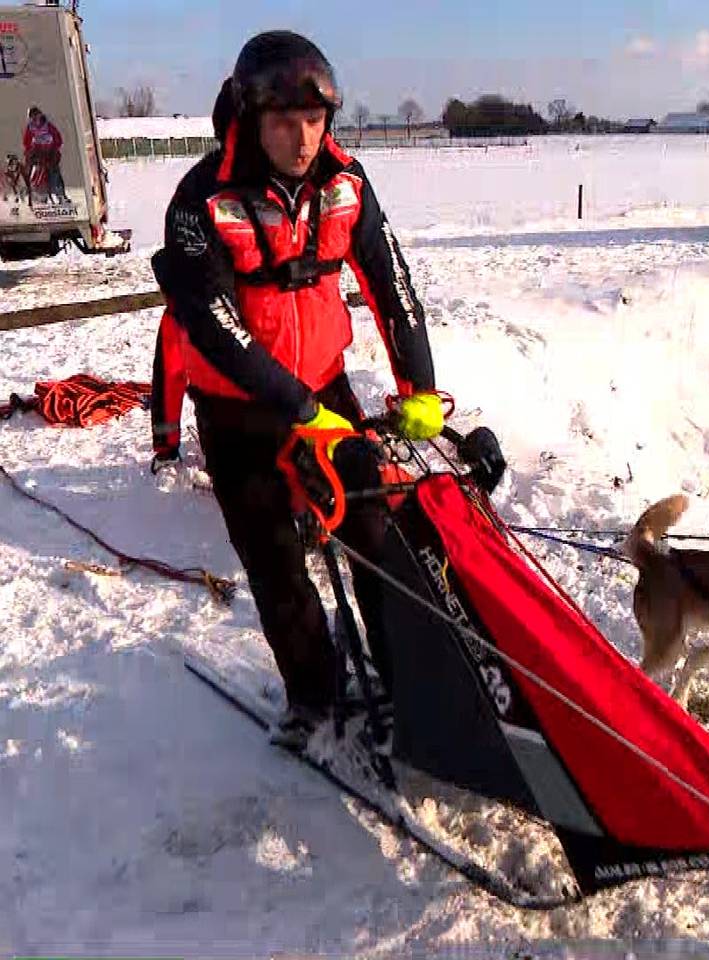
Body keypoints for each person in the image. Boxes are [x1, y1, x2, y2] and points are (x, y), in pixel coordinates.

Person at [150, 31, 444, 747]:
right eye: (285, 121)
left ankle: (408, 680)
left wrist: (421, 387)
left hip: (327, 392)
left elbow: (390, 283)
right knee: (275, 558)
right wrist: (298, 410)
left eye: (315, 120)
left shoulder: (348, 183)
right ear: (251, 117)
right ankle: (313, 693)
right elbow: (215, 328)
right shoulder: (200, 202)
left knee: (375, 536)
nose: (304, 137)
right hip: (238, 411)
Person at [23, 106, 68, 204]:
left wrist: (55, 148)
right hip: (38, 151)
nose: (35, 120)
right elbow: (27, 140)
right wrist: (28, 151)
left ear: (40, 116)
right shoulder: (30, 127)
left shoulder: (48, 125)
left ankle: (60, 194)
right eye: (33, 118)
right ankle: (35, 192)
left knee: (54, 170)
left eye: (36, 117)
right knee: (34, 169)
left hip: (50, 151)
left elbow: (57, 137)